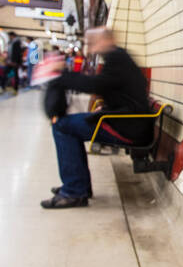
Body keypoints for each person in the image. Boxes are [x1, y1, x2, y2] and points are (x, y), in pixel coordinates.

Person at [41, 27, 149, 209]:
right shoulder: (118, 57)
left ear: (106, 41)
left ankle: (75, 191)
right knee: (70, 125)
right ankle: (77, 186)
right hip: (127, 121)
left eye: (92, 43)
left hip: (128, 127)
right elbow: (117, 89)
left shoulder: (116, 58)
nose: (90, 48)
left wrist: (62, 75)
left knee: (62, 126)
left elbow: (95, 85)